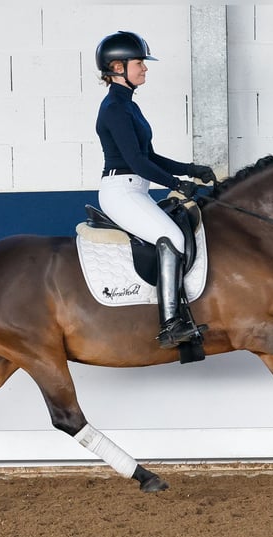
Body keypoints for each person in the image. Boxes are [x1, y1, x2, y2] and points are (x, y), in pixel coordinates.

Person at [94, 31, 215, 349]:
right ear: (117, 67)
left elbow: (149, 157)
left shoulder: (128, 106)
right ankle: (171, 325)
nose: (145, 68)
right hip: (121, 191)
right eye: (139, 63)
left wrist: (190, 170)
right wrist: (177, 185)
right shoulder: (115, 109)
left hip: (135, 189)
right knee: (172, 238)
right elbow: (136, 161)